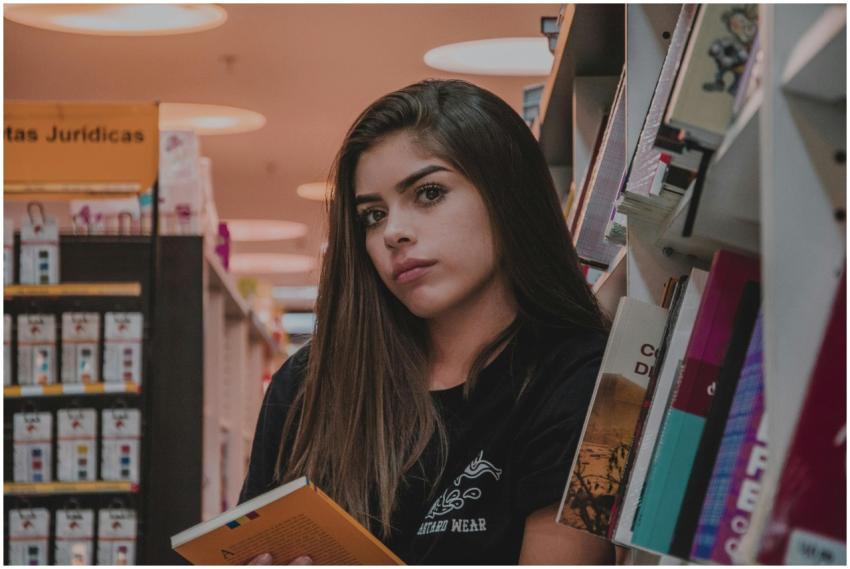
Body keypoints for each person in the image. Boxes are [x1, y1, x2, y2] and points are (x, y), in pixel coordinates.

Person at [239, 79, 615, 565]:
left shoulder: (585, 378)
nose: (393, 232)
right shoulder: (308, 384)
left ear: (506, 195)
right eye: (372, 215)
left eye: (429, 193)